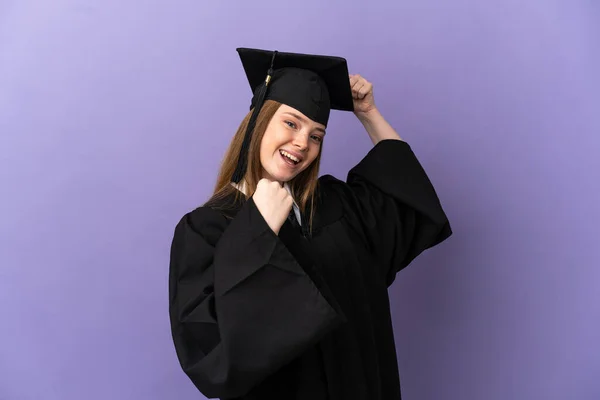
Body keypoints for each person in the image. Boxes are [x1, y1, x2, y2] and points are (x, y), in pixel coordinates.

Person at [168, 47, 452, 400]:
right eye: (291, 122)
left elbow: (406, 199)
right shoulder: (205, 230)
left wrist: (369, 114)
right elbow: (211, 356)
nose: (302, 143)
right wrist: (257, 229)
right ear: (258, 119)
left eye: (316, 135)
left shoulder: (336, 205)